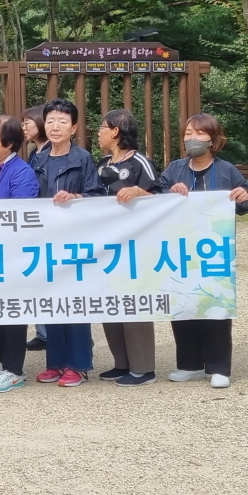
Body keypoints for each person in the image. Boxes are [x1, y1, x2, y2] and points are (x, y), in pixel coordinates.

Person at [117, 112, 248, 388]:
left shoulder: (226, 170)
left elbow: (243, 202)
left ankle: (218, 367)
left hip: (213, 251)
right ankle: (189, 364)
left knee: (215, 304)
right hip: (179, 249)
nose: (192, 138)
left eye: (199, 133)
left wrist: (243, 197)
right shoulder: (175, 169)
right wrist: (169, 193)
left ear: (213, 140)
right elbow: (156, 199)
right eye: (188, 133)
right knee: (182, 301)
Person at [30, 98, 107, 389]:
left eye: (62, 121)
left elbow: (97, 195)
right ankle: (55, 362)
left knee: (75, 302)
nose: (55, 126)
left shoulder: (82, 158)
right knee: (51, 302)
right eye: (50, 121)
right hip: (45, 241)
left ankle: (78, 365)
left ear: (73, 127)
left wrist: (76, 198)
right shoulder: (37, 158)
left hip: (75, 240)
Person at [96, 109, 160, 387]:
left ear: (116, 131)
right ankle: (122, 363)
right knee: (110, 302)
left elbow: (161, 195)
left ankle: (143, 368)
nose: (98, 132)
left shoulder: (139, 162)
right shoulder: (102, 164)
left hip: (136, 245)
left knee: (133, 302)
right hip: (106, 245)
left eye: (102, 127)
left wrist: (139, 191)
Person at [0, 115, 39, 393]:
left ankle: (15, 370)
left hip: (12, 252)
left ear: (10, 142)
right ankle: (5, 366)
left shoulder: (22, 172)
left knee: (12, 310)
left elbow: (21, 216)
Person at [21, 105, 50, 352]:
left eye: (27, 122)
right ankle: (43, 332)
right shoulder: (33, 153)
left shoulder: (53, 152)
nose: (24, 127)